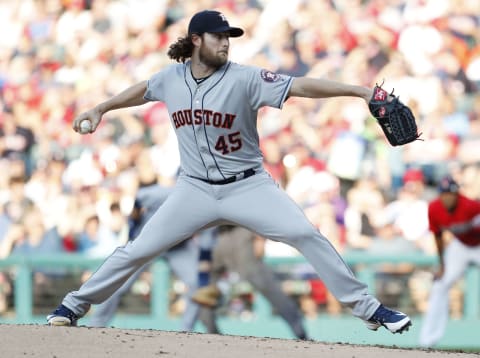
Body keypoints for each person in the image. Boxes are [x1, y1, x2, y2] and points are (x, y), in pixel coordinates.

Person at [47, 9, 411, 335]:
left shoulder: (246, 78)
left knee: (305, 233)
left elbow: (300, 85)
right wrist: (102, 107)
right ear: (195, 40)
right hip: (193, 190)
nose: (225, 43)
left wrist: (359, 91)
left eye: (228, 37)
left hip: (248, 187)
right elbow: (143, 90)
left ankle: (369, 309)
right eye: (219, 36)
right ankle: (74, 305)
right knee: (138, 250)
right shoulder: (170, 78)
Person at [87, 180, 207, 332]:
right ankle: (95, 325)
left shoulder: (205, 201)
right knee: (118, 280)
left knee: (197, 283)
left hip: (178, 247)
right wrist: (133, 228)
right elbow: (138, 200)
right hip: (148, 241)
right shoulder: (163, 193)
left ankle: (186, 330)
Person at [192, 225, 309, 340]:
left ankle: (301, 335)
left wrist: (260, 238)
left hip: (240, 234)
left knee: (269, 287)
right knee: (204, 292)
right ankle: (214, 338)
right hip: (213, 237)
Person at [419, 175, 480, 347]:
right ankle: (427, 341)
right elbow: (438, 237)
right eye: (444, 194)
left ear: (457, 194)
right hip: (460, 246)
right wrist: (442, 264)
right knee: (440, 285)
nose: (448, 197)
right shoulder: (434, 208)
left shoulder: (472, 207)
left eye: (451, 194)